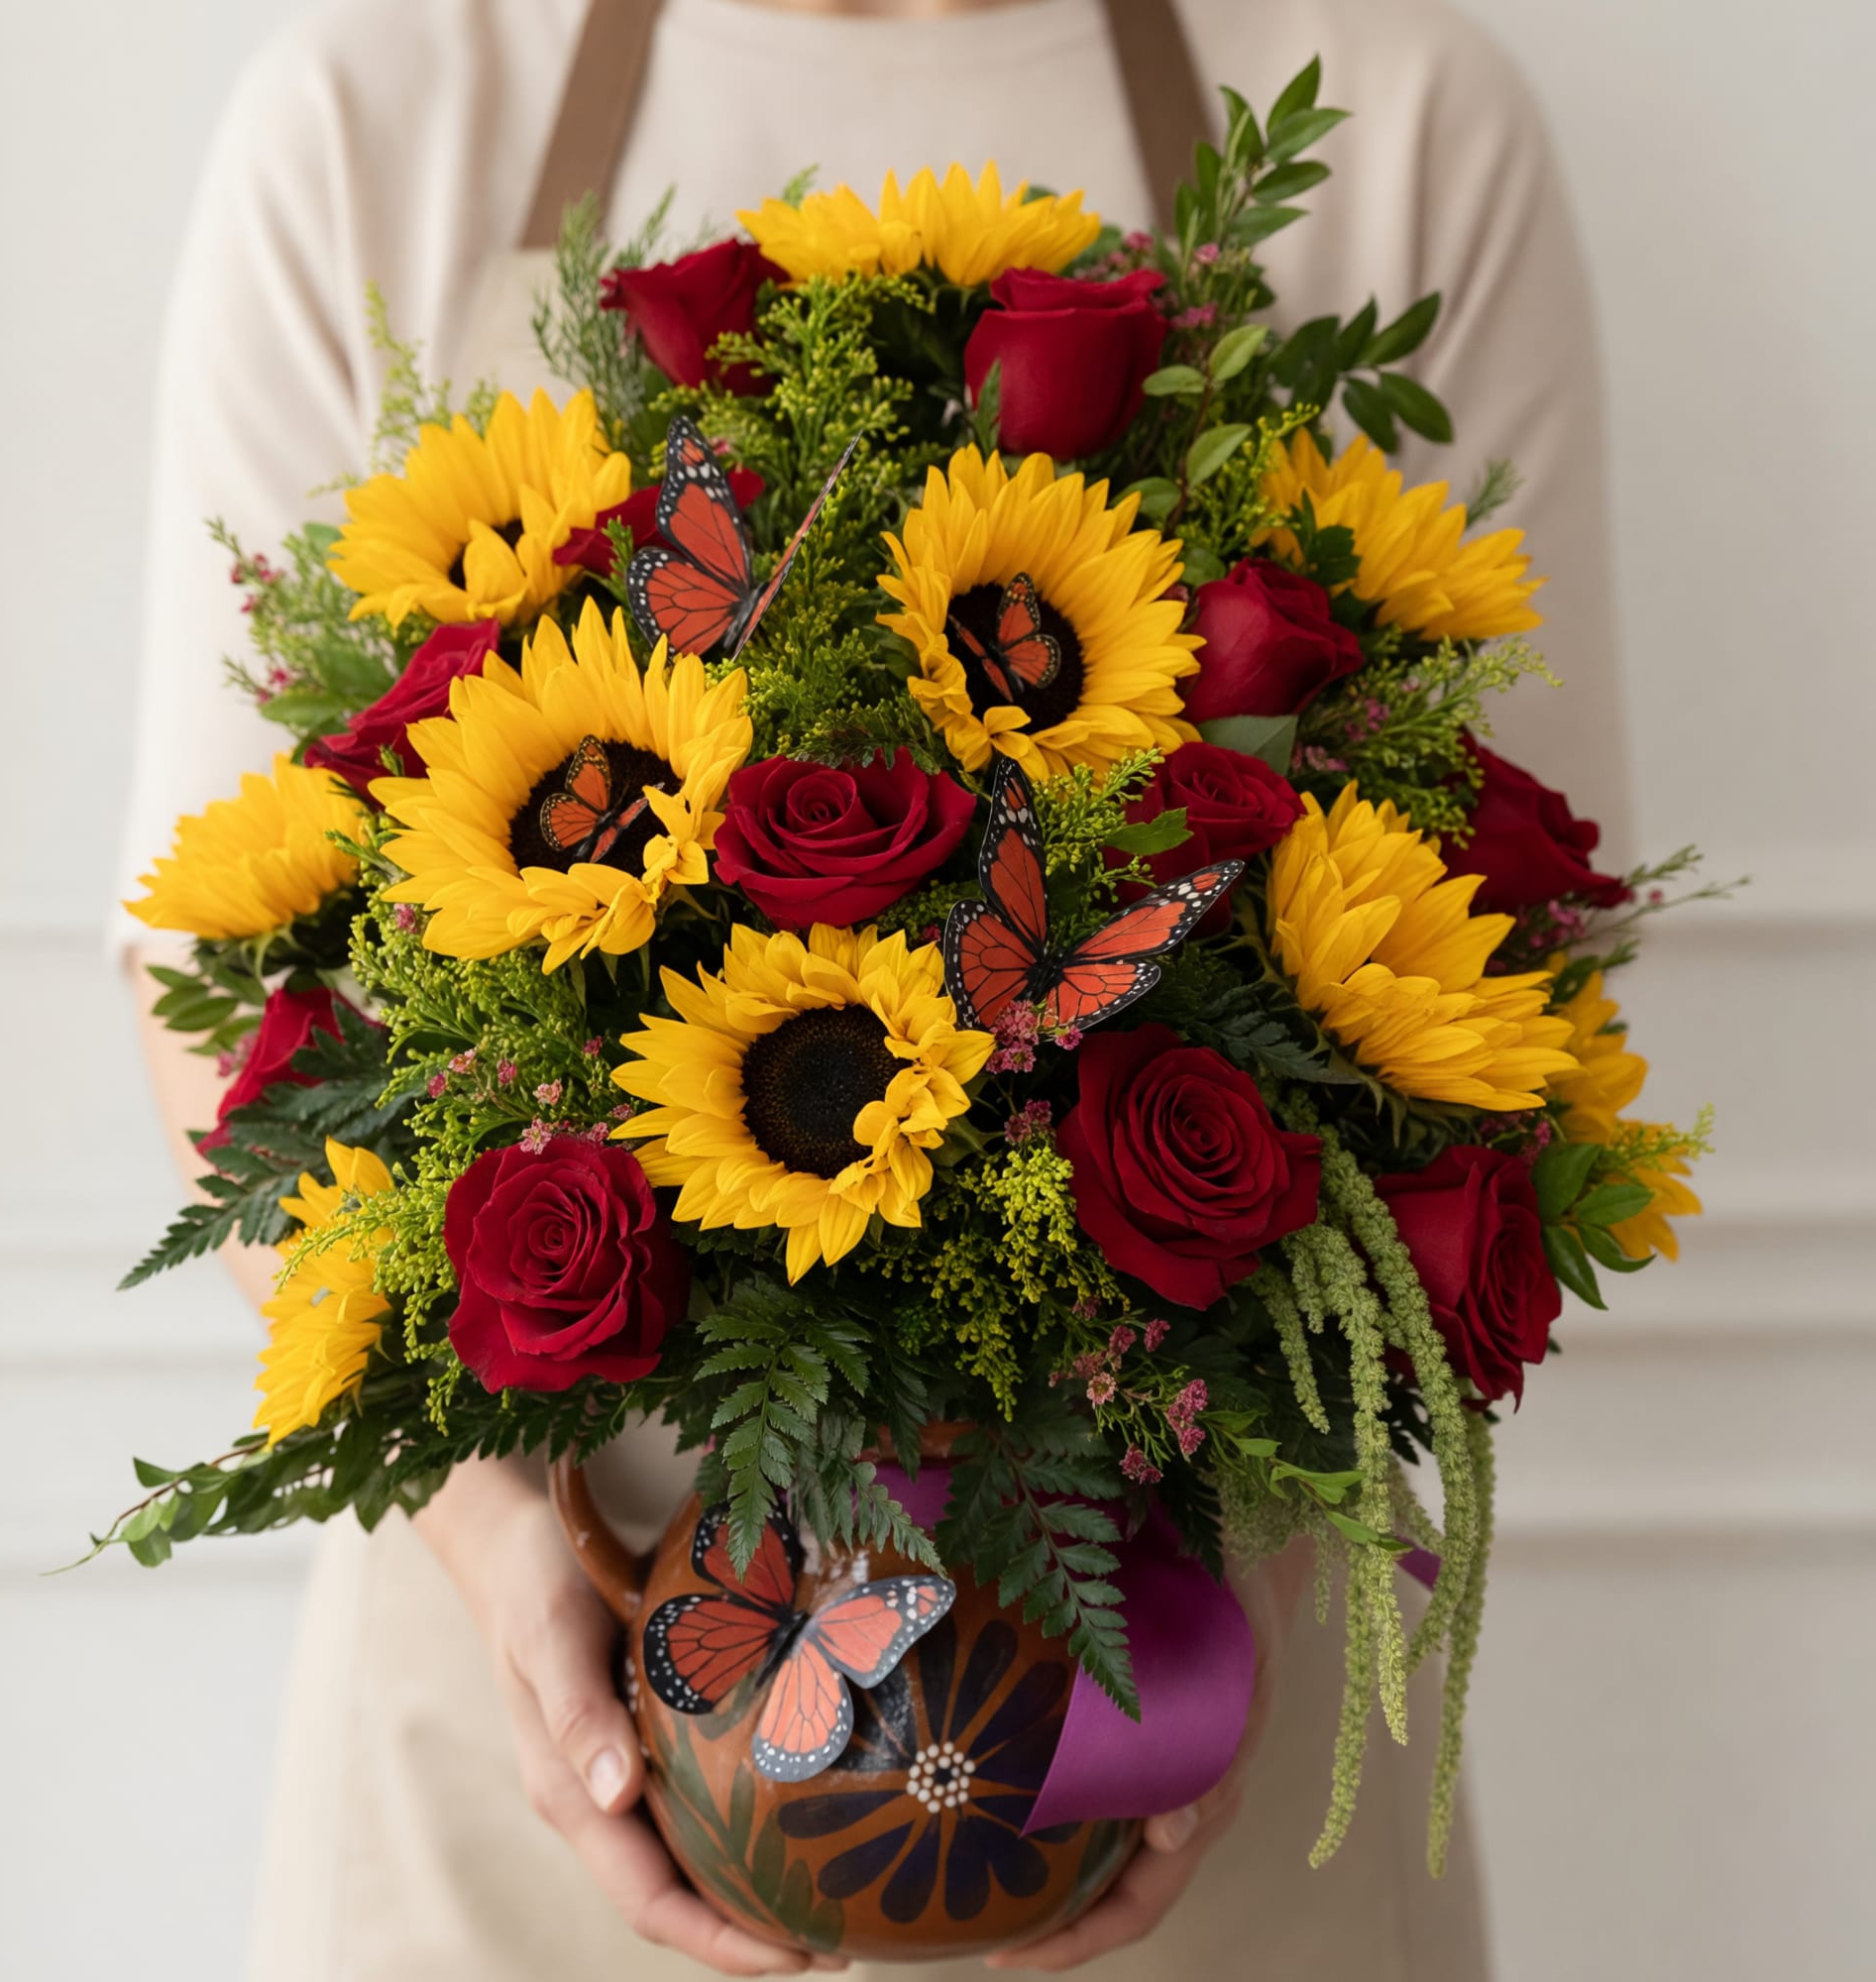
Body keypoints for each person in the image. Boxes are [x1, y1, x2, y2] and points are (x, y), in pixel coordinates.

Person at [121, 2, 1627, 1975]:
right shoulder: (378, 119)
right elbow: (217, 982)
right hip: (514, 1744)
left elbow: (1530, 961)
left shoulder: (1413, 120)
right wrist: (515, 1560)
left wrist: (1179, 1629)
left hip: (1190, 1744)